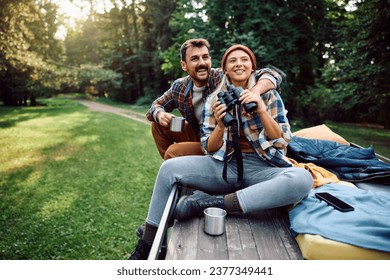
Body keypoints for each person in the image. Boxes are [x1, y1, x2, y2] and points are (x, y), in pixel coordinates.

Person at [129, 44, 313, 260]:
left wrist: (260, 108)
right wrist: (219, 125)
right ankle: (149, 243)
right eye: (232, 61)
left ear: (253, 68)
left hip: (263, 167)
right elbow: (208, 147)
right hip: (226, 166)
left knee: (302, 178)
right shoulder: (211, 98)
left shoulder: (269, 96)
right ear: (224, 70)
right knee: (169, 167)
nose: (239, 64)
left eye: (244, 60)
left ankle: (211, 203)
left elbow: (281, 142)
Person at [146, 38, 283, 160]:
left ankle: (180, 168)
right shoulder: (179, 87)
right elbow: (155, 106)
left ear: (210, 59)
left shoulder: (222, 76)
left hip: (220, 136)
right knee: (157, 125)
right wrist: (160, 113)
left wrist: (255, 92)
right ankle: (174, 170)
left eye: (205, 57)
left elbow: (271, 74)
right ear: (183, 65)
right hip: (197, 134)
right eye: (195, 59)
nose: (202, 63)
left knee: (174, 151)